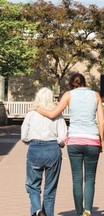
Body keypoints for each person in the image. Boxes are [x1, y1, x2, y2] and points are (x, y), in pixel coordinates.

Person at [34, 73, 104, 216]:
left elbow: (53, 114)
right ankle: (88, 211)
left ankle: (79, 213)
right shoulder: (96, 95)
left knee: (77, 178)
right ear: (84, 83)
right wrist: (101, 141)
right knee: (90, 178)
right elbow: (102, 121)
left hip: (74, 141)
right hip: (92, 140)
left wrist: (36, 109)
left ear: (72, 84)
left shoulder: (68, 95)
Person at [21, 87, 67, 216]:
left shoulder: (31, 114)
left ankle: (36, 210)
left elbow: (24, 136)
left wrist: (28, 141)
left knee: (33, 185)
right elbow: (62, 138)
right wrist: (60, 144)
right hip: (53, 149)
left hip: (34, 148)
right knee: (50, 188)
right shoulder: (57, 114)